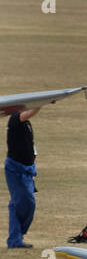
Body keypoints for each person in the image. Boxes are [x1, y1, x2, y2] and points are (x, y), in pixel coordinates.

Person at [6, 105, 41, 249]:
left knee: (26, 204)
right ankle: (15, 240)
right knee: (23, 204)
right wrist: (41, 104)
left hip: (27, 170)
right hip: (16, 170)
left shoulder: (26, 123)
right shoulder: (15, 119)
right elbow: (27, 114)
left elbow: (29, 144)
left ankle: (17, 237)